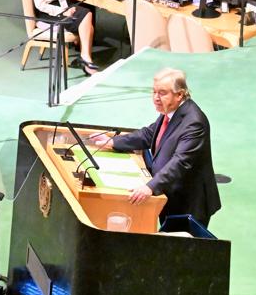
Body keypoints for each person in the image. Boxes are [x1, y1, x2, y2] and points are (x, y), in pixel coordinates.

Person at [92, 69, 221, 226]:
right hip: (170, 195)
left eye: (162, 93)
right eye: (153, 92)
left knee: (181, 248)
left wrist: (150, 187)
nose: (156, 98)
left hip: (189, 203)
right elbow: (149, 134)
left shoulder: (194, 122)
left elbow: (180, 162)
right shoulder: (171, 110)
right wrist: (114, 142)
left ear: (179, 95)